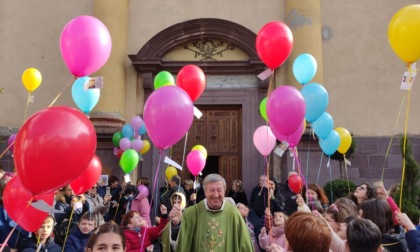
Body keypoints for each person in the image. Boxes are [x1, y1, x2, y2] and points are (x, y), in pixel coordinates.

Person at [166, 173, 254, 251]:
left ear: (224, 191)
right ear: (205, 192)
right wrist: (176, 225)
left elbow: (245, 246)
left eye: (219, 190)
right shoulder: (191, 213)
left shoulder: (234, 214)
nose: (216, 195)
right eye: (212, 190)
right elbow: (180, 244)